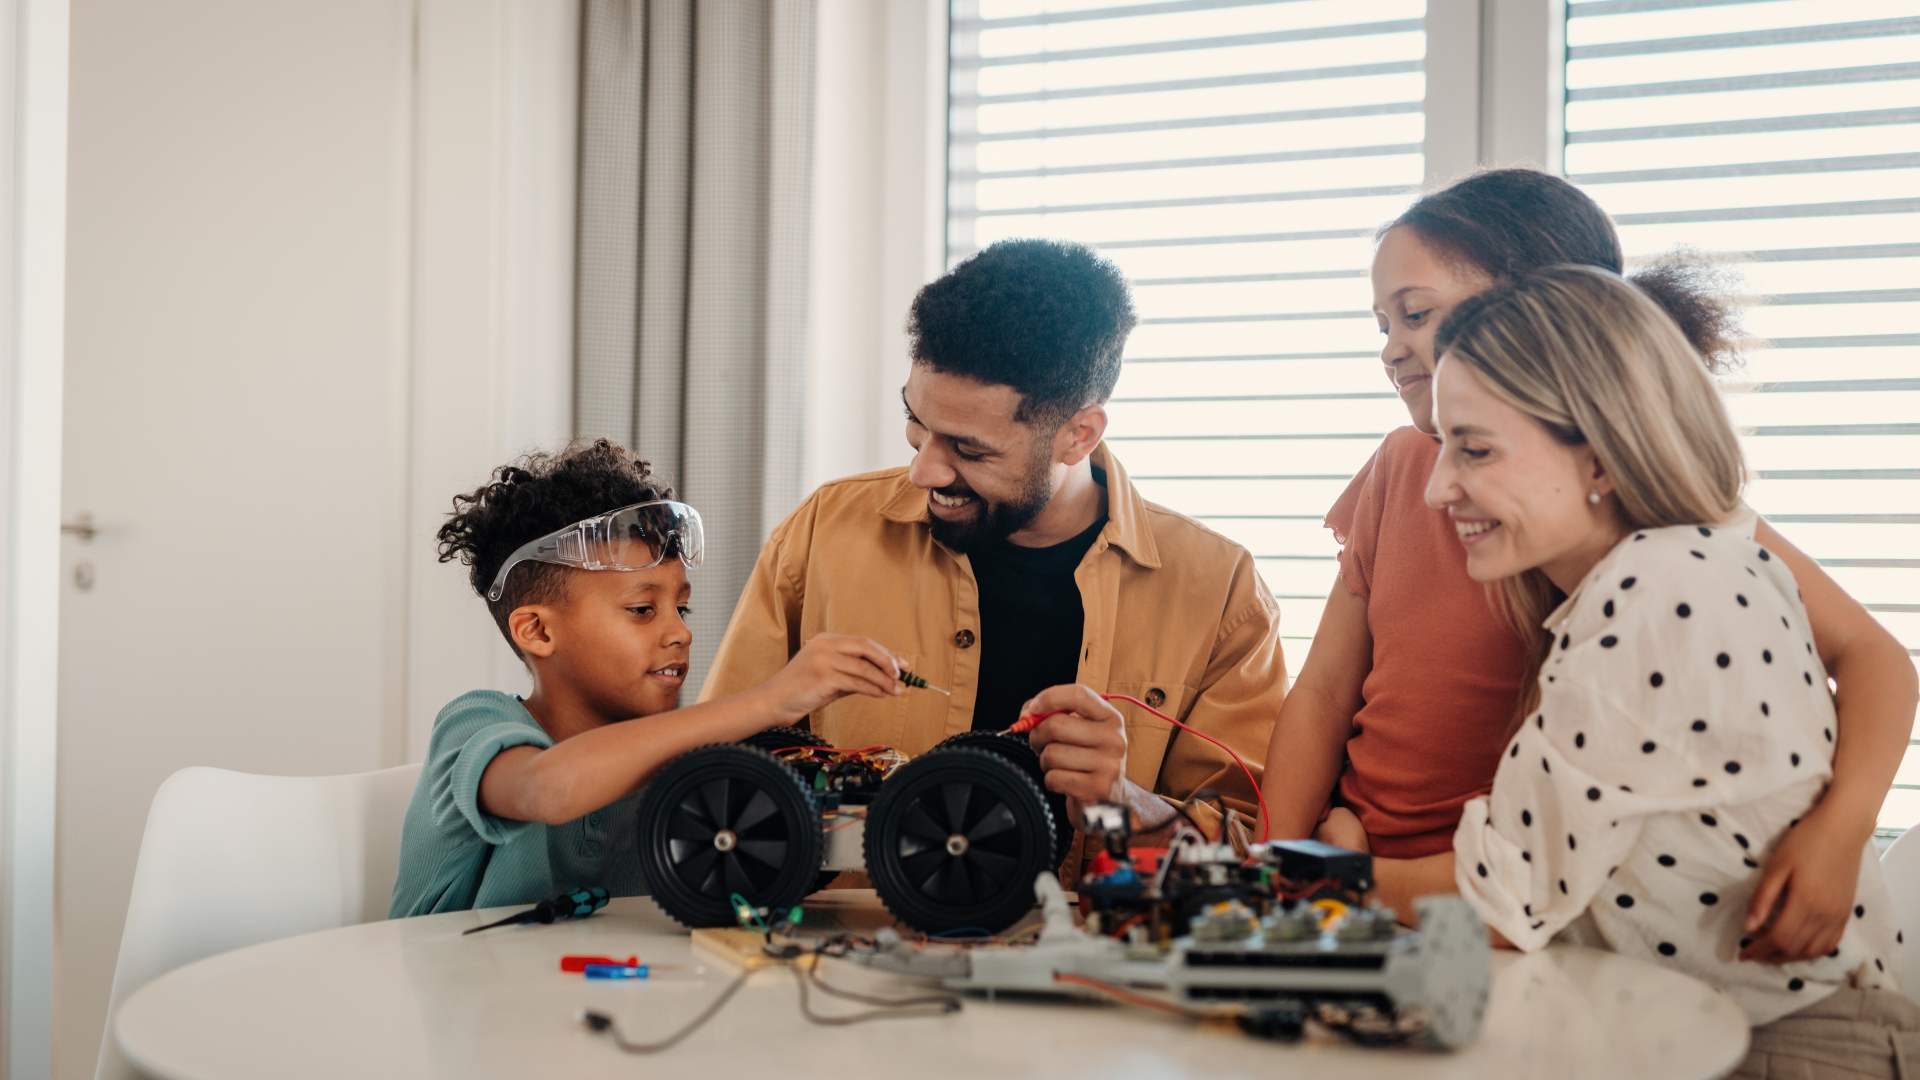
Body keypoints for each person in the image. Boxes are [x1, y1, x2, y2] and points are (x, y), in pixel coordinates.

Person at [1261, 169, 1918, 962]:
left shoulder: (1662, 561)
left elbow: (1875, 656)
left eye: (1418, 313)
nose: (1393, 345)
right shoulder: (1411, 471)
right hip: (1386, 874)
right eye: (1381, 323)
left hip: (1490, 900)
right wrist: (1281, 871)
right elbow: (1326, 689)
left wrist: (1841, 831)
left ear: (1542, 320)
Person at [1438, 265, 1917, 1079]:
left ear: (1600, 459)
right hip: (1682, 1033)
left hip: (1782, 1044)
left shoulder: (1661, 582)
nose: (1436, 486)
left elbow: (1505, 902)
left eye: (1474, 450)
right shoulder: (1658, 575)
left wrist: (1283, 876)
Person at [701, 238, 1285, 860]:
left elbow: (1261, 854)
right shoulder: (823, 534)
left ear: (1077, 434)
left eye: (969, 449)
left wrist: (1127, 803)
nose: (924, 470)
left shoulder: (1221, 593)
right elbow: (712, 780)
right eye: (916, 424)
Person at [389, 440, 909, 917]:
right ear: (538, 632)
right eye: (642, 609)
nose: (679, 633)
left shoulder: (682, 759)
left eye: (683, 608)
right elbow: (548, 788)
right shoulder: (476, 728)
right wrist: (772, 699)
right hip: (455, 1004)